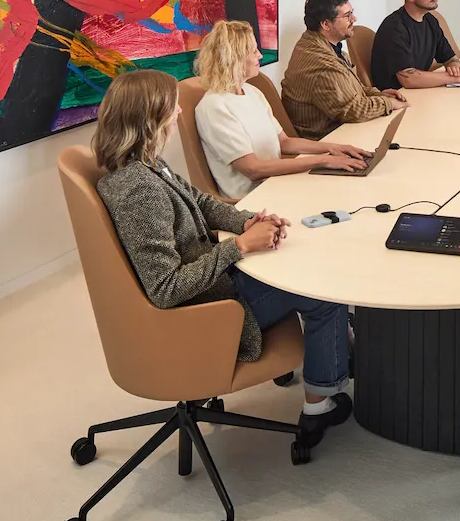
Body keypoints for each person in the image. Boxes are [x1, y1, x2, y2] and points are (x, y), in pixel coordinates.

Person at [93, 69, 352, 441]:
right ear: (150, 121)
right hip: (210, 309)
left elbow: (200, 202)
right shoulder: (140, 192)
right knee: (322, 293)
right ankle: (319, 407)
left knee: (297, 263)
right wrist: (240, 246)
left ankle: (336, 354)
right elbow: (165, 289)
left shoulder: (144, 165)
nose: (178, 113)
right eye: (171, 108)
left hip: (213, 281)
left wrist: (246, 221)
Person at [194, 20, 373, 199]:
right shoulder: (214, 107)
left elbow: (285, 143)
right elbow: (253, 169)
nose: (260, 56)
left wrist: (334, 147)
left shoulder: (252, 91)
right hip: (253, 198)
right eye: (254, 51)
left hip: (277, 183)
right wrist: (323, 160)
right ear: (234, 58)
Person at [281, 0, 407, 140]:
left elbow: (351, 90)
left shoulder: (315, 42)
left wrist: (379, 94)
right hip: (329, 138)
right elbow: (353, 111)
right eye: (347, 16)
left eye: (352, 13)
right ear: (326, 24)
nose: (354, 18)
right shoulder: (322, 65)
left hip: (344, 127)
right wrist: (387, 103)